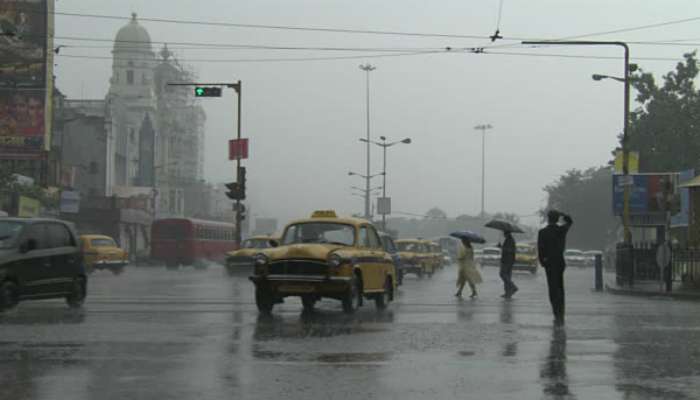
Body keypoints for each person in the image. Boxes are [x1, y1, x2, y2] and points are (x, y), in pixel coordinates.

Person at [538, 210, 574, 326]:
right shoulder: (561, 230)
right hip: (559, 262)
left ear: (548, 218)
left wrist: (543, 262)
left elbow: (540, 249)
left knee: (552, 288)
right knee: (560, 287)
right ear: (557, 219)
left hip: (549, 263)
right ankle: (561, 312)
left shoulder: (542, 232)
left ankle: (556, 312)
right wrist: (563, 213)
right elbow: (570, 221)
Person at [499, 231, 518, 298]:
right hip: (509, 260)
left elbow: (509, 250)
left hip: (507, 260)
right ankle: (508, 293)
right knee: (507, 276)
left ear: (507, 233)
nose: (503, 234)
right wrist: (501, 246)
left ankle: (513, 287)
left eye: (504, 233)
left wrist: (503, 248)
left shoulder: (510, 240)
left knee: (502, 274)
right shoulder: (509, 240)